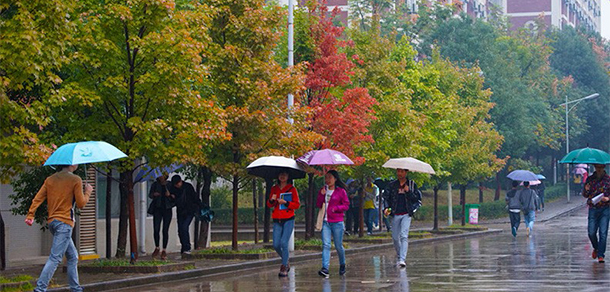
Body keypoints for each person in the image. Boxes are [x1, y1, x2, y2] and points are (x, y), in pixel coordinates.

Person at [25, 164, 93, 292]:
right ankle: (40, 289)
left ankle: (76, 288)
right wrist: (88, 192)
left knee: (73, 256)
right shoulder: (75, 179)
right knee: (55, 258)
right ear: (72, 164)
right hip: (65, 223)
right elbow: (81, 204)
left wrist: (30, 214)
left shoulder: (50, 179)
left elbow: (38, 198)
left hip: (53, 223)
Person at [383, 169, 422, 268]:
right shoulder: (392, 185)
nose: (399, 173)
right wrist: (386, 208)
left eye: (402, 171)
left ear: (406, 172)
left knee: (404, 236)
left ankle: (402, 259)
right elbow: (387, 198)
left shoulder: (412, 184)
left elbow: (416, 199)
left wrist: (408, 192)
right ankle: (400, 255)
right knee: (395, 238)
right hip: (395, 213)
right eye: (398, 171)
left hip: (406, 213)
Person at [316, 170, 350, 278]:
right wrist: (322, 196)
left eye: (330, 177)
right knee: (326, 245)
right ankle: (325, 268)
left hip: (337, 222)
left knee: (338, 245)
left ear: (335, 179)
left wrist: (337, 208)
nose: (327, 180)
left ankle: (342, 263)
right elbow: (318, 204)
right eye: (326, 177)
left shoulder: (341, 191)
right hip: (325, 222)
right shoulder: (323, 190)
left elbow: (346, 205)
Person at [267, 171, 300, 277]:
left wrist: (286, 203)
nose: (282, 176)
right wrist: (272, 200)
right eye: (280, 174)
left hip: (288, 219)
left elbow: (297, 205)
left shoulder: (292, 189)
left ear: (288, 176)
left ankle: (284, 266)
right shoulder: (274, 189)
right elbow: (269, 204)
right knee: (276, 244)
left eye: (285, 174)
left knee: (284, 243)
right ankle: (286, 259)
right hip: (277, 219)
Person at [582, 164, 610, 263]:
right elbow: (585, 195)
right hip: (593, 208)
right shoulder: (590, 179)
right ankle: (596, 248)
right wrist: (586, 190)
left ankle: (601, 255)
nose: (598, 169)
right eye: (597, 167)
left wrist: (608, 198)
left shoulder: (608, 180)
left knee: (603, 233)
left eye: (600, 168)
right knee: (591, 232)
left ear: (603, 168)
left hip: (605, 209)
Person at [169, 175, 201, 255]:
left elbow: (195, 197)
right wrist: (171, 197)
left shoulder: (188, 187)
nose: (177, 186)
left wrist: (199, 206)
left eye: (177, 184)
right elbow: (173, 201)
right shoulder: (174, 189)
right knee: (180, 230)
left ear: (180, 181)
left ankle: (187, 247)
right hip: (180, 211)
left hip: (190, 211)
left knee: (184, 228)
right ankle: (184, 247)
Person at [148, 174, 174, 260]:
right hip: (157, 209)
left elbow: (174, 197)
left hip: (167, 209)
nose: (161, 177)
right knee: (156, 229)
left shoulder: (169, 185)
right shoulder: (155, 184)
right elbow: (150, 195)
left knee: (165, 230)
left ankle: (164, 250)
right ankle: (157, 247)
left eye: (163, 175)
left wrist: (169, 195)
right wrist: (154, 194)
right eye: (160, 176)